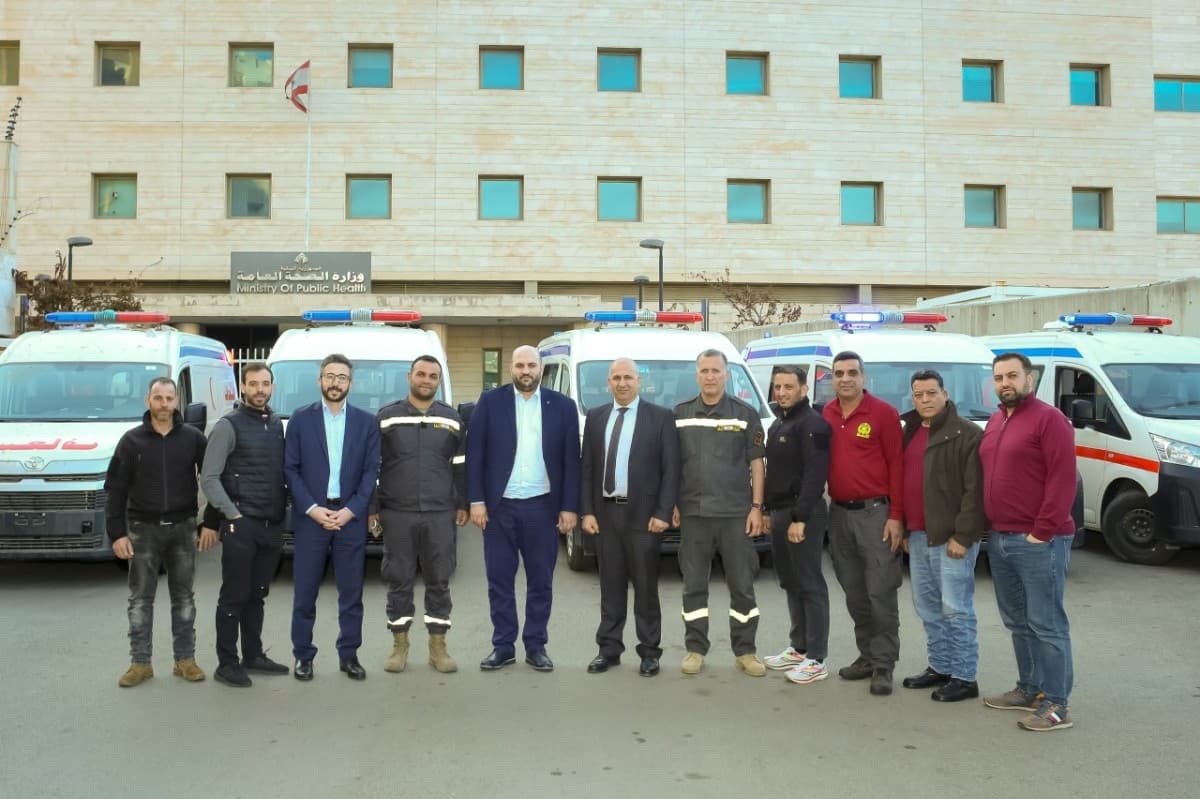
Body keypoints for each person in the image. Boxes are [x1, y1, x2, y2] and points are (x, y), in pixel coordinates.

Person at [466, 345, 580, 673]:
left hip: (542, 508)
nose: (525, 371)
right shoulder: (490, 402)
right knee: (499, 580)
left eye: (531, 365)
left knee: (541, 581)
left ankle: (535, 645)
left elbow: (571, 460)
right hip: (499, 509)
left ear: (541, 368)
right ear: (511, 368)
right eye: (520, 365)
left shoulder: (563, 406)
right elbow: (475, 454)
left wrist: (569, 507)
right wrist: (476, 501)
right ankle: (503, 646)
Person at [980, 352, 1077, 731]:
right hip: (1000, 537)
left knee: (1046, 624)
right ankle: (1029, 688)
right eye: (999, 377)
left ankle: (1057, 705)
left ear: (1029, 380)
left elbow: (1063, 479)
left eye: (1012, 376)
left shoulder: (1050, 419)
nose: (1005, 383)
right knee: (1018, 622)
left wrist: (1042, 531)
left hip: (1039, 540)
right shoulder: (996, 419)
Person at [579, 358, 680, 678]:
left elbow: (671, 469)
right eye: (616, 378)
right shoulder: (596, 417)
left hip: (644, 517)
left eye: (628, 377)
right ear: (608, 383)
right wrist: (587, 511)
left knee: (646, 588)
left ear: (639, 381)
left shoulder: (660, 417)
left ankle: (649, 652)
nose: (622, 383)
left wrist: (663, 512)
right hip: (605, 515)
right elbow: (587, 468)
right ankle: (608, 649)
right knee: (610, 587)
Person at [104, 377, 207, 688]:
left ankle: (185, 660)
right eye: (158, 398)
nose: (164, 404)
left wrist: (211, 522)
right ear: (147, 400)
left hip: (183, 529)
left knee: (184, 598)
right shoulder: (130, 441)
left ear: (177, 401)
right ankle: (140, 663)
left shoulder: (193, 439)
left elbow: (213, 479)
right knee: (140, 600)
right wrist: (117, 533)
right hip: (142, 530)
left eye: (169, 398)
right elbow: (115, 490)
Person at [285, 354, 381, 681]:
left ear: (350, 383)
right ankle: (303, 656)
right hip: (311, 518)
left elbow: (371, 472)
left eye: (341, 377)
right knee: (305, 593)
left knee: (351, 594)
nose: (335, 383)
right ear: (320, 380)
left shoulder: (367, 423)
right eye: (329, 376)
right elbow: (291, 469)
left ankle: (349, 655)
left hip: (349, 518)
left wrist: (350, 511)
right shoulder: (301, 419)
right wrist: (313, 509)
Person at [371, 355, 467, 675]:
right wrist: (373, 509)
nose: (426, 380)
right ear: (409, 376)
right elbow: (371, 467)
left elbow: (461, 467)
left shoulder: (452, 419)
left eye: (433, 376)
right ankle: (399, 646)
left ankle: (438, 648)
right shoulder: (387, 417)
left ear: (438, 381)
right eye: (421, 374)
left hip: (440, 513)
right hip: (397, 512)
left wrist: (463, 504)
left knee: (439, 579)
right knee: (399, 580)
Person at [673, 349, 767, 677]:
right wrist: (672, 503)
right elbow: (671, 464)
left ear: (726, 375)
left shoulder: (745, 414)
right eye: (705, 371)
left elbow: (757, 464)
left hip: (735, 515)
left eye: (716, 371)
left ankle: (746, 651)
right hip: (694, 515)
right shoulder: (680, 414)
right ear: (697, 375)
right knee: (693, 586)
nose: (710, 376)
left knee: (742, 586)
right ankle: (695, 649)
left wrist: (757, 508)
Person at [199, 362, 290, 688]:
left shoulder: (276, 424)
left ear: (272, 387)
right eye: (253, 384)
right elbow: (209, 477)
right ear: (243, 387)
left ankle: (253, 655)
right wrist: (231, 514)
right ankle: (227, 663)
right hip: (241, 525)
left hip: (270, 524)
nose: (259, 390)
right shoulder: (228, 425)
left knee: (257, 594)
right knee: (234, 596)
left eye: (265, 384)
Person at [898, 369, 985, 702]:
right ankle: (941, 666)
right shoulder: (909, 431)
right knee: (928, 608)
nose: (925, 400)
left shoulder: (967, 434)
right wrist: (906, 527)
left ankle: (964, 676)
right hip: (919, 535)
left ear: (945, 395)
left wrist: (963, 536)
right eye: (918, 394)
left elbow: (975, 492)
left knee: (956, 609)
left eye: (931, 393)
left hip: (952, 538)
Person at [821, 350, 905, 696]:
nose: (845, 379)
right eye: (839, 373)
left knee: (880, 592)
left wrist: (896, 516)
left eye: (852, 373)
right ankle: (867, 656)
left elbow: (897, 465)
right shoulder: (826, 413)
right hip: (839, 514)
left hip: (876, 515)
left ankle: (884, 664)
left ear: (863, 377)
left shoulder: (883, 413)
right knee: (855, 592)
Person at [761, 365, 832, 685]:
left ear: (804, 389)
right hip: (779, 512)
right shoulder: (779, 422)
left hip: (802, 514)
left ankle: (816, 658)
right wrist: (766, 510)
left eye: (788, 387)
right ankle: (799, 647)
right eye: (777, 387)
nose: (782, 392)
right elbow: (773, 471)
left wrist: (800, 518)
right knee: (790, 581)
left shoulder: (813, 424)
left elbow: (815, 474)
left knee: (810, 583)